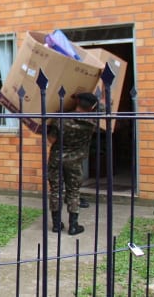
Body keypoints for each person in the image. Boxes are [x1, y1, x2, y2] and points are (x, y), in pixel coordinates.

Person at [47, 92, 98, 235]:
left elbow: (51, 140)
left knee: (55, 190)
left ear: (77, 102)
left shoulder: (62, 119)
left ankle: (56, 225)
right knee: (73, 191)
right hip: (75, 161)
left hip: (57, 158)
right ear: (92, 107)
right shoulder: (92, 123)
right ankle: (74, 226)